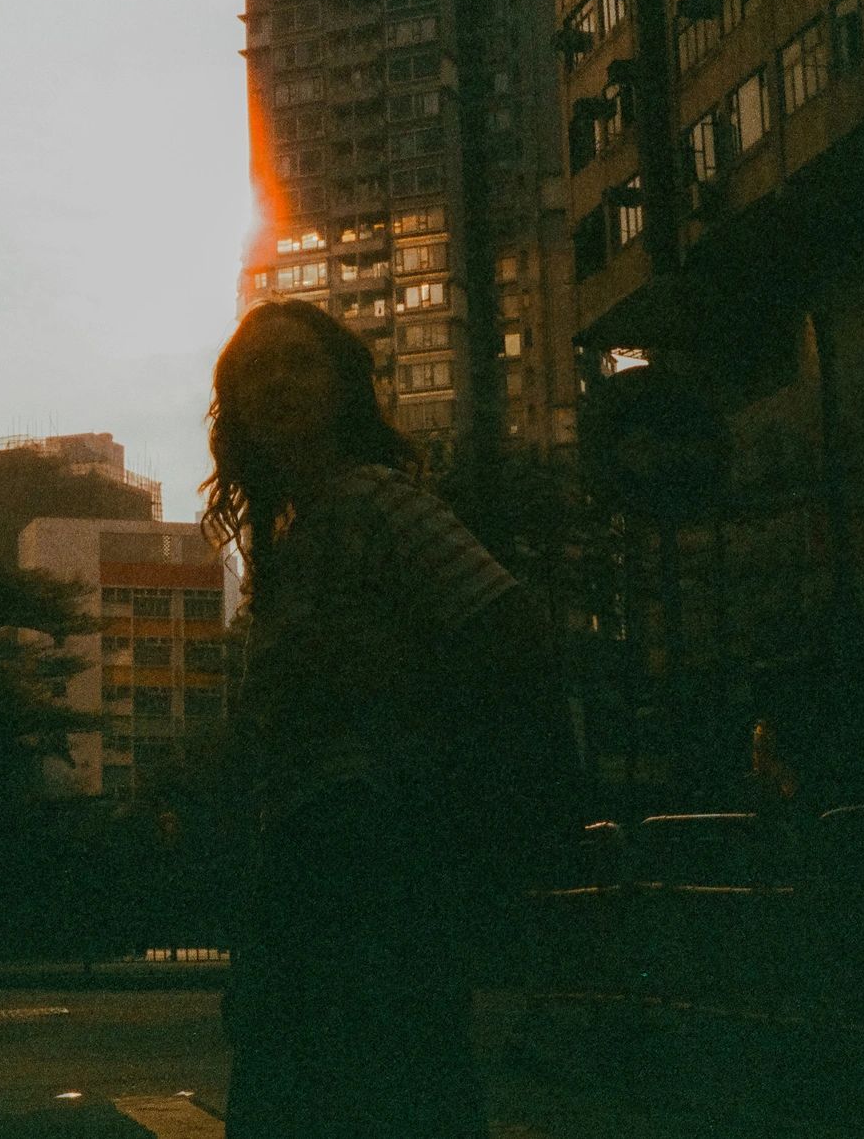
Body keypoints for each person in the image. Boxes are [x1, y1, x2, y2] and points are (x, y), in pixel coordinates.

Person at [202, 299, 580, 1139]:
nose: (276, 382)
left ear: (344, 386)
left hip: (376, 846)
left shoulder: (374, 501)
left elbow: (507, 622)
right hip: (309, 849)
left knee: (373, 1084)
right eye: (253, 370)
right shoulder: (295, 534)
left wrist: (392, 684)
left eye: (297, 361)